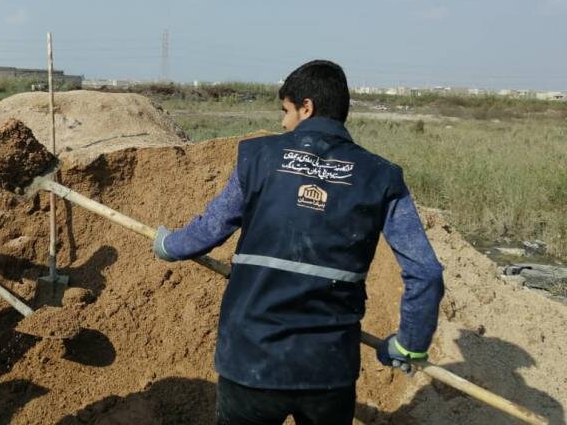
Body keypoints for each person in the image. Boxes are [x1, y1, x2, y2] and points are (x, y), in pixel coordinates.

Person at [152, 60, 444, 425]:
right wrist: (410, 344)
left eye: (285, 111)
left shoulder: (257, 157)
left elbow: (211, 228)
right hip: (328, 370)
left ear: (307, 107)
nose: (282, 122)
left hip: (251, 361)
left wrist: (168, 245)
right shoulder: (381, 176)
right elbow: (426, 272)